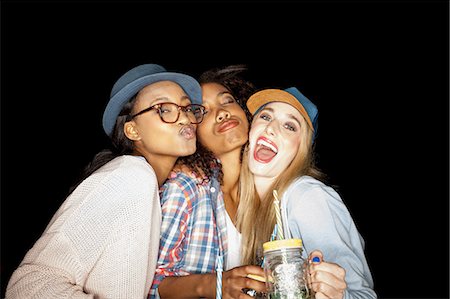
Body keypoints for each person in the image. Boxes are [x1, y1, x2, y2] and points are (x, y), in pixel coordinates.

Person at [5, 63, 205, 299]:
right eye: (164, 109)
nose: (185, 118)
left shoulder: (151, 184)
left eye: (187, 107)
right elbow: (29, 285)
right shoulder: (131, 176)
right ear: (132, 131)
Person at [236, 87, 377, 298]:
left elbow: (362, 295)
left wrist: (336, 295)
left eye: (289, 126)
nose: (271, 128)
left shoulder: (307, 196)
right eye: (265, 116)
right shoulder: (246, 208)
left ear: (300, 149)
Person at [149, 65, 267, 299]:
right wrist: (214, 285)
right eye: (203, 110)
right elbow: (151, 285)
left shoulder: (268, 189)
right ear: (193, 129)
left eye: (228, 101)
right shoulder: (184, 187)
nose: (222, 112)